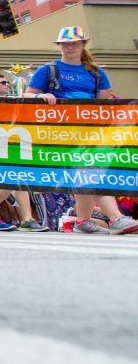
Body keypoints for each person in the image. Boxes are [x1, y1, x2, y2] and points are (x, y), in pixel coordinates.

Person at [24, 26, 138, 235]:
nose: (69, 47)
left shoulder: (95, 73)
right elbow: (27, 95)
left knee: (83, 173)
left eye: (74, 43)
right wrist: (41, 97)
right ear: (59, 46)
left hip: (90, 131)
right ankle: (116, 218)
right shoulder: (48, 70)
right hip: (61, 131)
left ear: (82, 45)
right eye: (65, 43)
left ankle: (83, 221)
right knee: (89, 171)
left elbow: (103, 103)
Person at [0, 72, 48, 232]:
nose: (6, 84)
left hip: (12, 144)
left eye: (7, 82)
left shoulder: (13, 101)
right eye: (2, 82)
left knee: (19, 178)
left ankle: (27, 219)